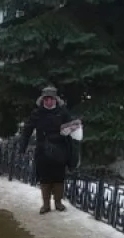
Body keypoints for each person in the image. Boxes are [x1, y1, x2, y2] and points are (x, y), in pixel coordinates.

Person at [19, 85, 80, 214]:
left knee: (59, 177)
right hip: (42, 151)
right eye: (46, 99)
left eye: (51, 99)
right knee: (44, 177)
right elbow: (27, 131)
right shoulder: (37, 113)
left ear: (55, 99)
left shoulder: (63, 112)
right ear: (42, 100)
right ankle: (46, 205)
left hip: (60, 150)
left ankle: (58, 203)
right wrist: (22, 147)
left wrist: (71, 130)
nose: (48, 101)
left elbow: (72, 128)